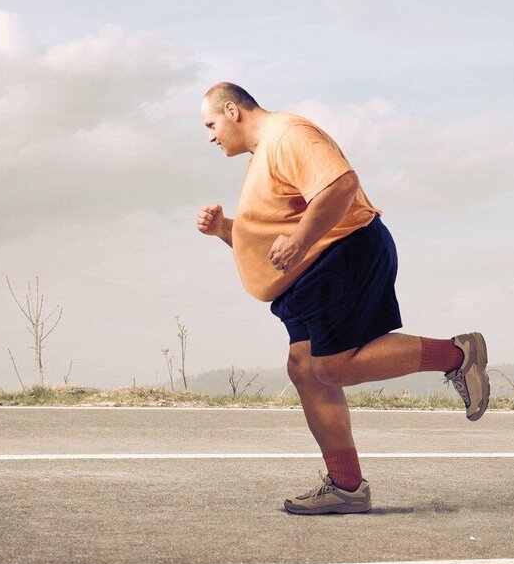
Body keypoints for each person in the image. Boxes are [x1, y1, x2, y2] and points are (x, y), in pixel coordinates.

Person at [195, 82, 490, 515]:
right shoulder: (265, 155)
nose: (211, 136)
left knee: (330, 367)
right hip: (312, 268)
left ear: (232, 111)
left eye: (211, 124)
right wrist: (226, 231)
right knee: (305, 369)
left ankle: (457, 355)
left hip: (343, 254)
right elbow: (279, 229)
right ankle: (347, 486)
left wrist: (298, 241)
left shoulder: (288, 135)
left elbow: (341, 186)